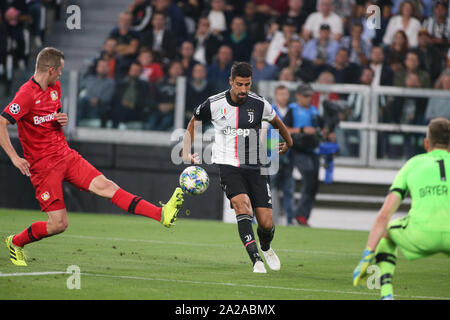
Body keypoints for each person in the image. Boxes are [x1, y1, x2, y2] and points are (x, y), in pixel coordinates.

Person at [1, 48, 184, 267]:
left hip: (66, 156)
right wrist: (14, 157)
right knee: (59, 224)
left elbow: (50, 117)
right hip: (43, 167)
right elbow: (2, 123)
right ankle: (16, 242)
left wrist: (59, 119)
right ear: (50, 70)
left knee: (107, 186)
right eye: (59, 70)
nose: (61, 74)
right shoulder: (26, 94)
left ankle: (161, 214)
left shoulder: (54, 88)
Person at [182, 62, 293, 273]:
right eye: (239, 84)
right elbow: (193, 122)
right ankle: (256, 260)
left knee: (266, 224)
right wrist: (186, 151)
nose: (243, 90)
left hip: (256, 165)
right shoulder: (214, 104)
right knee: (243, 207)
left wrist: (289, 142)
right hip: (228, 165)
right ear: (231, 81)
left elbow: (277, 121)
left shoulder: (259, 104)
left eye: (247, 85)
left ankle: (266, 246)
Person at [353, 117, 450, 300]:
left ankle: (387, 294)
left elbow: (384, 215)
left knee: (386, 233)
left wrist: (367, 255)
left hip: (422, 233)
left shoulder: (413, 164)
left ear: (426, 143)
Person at [284, 83, 323, 227]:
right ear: (298, 96)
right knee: (308, 181)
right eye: (305, 96)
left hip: (313, 151)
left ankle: (302, 216)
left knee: (313, 184)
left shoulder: (314, 111)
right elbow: (285, 129)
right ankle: (299, 215)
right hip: (298, 150)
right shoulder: (292, 110)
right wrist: (301, 130)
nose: (308, 99)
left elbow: (321, 130)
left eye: (310, 96)